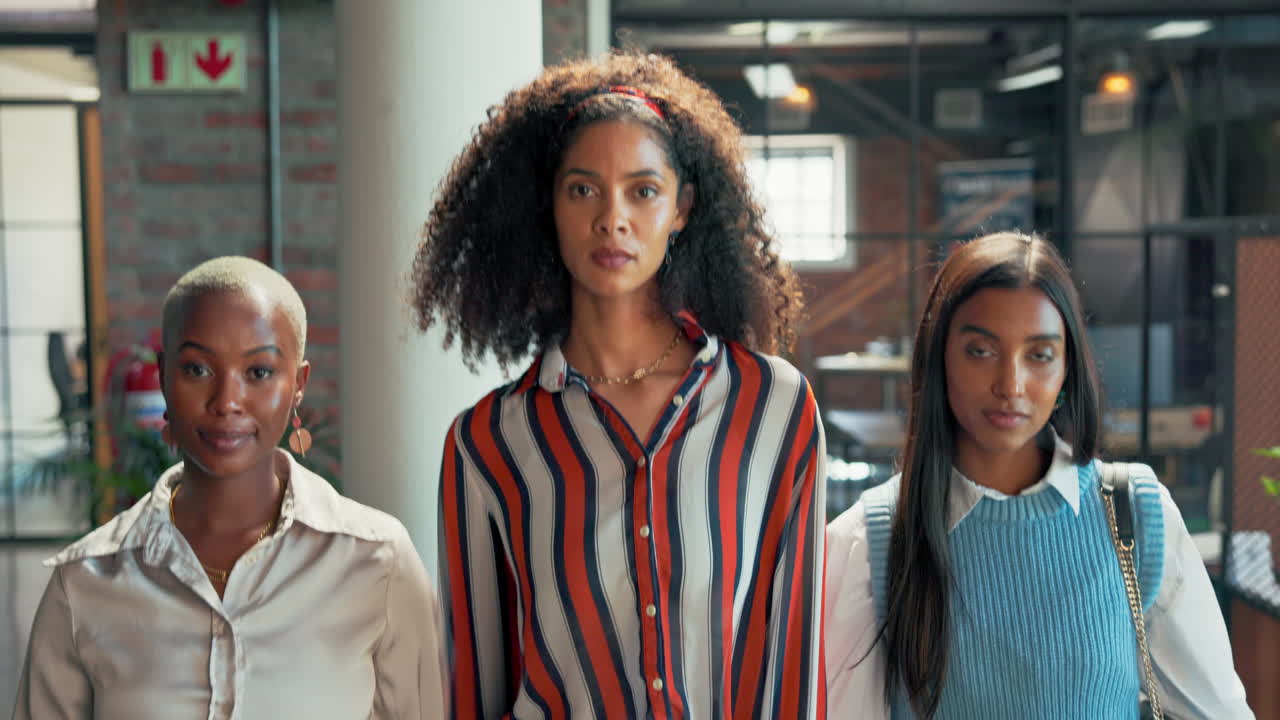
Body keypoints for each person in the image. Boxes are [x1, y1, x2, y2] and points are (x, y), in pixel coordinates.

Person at [411, 51, 826, 719]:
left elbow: (793, 665)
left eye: (642, 190)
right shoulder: (486, 444)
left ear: (683, 207)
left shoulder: (772, 409)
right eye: (583, 189)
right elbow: (474, 690)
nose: (613, 219)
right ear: (548, 205)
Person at [824, 232, 1253, 718]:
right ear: (940, 358)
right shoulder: (872, 539)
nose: (1011, 385)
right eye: (980, 351)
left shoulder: (1135, 515)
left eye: (1039, 355)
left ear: (1066, 369)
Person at [13, 256, 447, 719]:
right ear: (163, 375)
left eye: (258, 372)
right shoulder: (84, 582)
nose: (227, 402)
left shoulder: (378, 562)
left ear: (298, 384)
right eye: (198, 369)